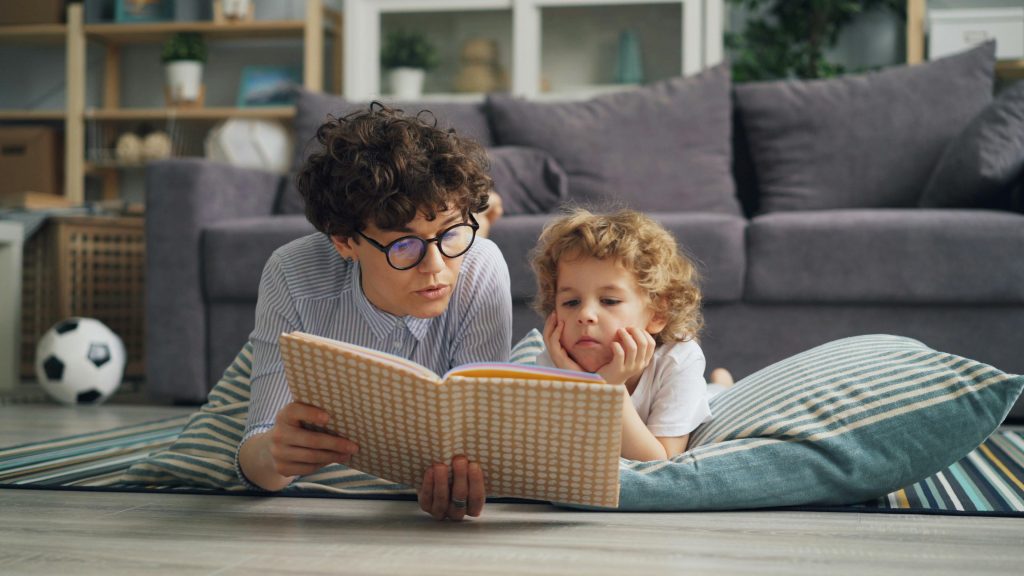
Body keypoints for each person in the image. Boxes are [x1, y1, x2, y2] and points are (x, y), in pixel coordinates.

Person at [236, 103, 512, 521]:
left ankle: (479, 215)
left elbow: (482, 439)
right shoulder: (291, 272)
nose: (435, 267)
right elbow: (259, 453)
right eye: (405, 245)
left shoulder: (479, 263)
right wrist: (276, 457)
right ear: (345, 242)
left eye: (452, 232)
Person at [531, 208, 719, 461]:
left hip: (700, 396)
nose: (585, 314)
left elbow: (658, 461)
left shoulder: (679, 360)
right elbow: (553, 452)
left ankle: (722, 382)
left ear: (657, 314)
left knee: (714, 393)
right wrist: (578, 384)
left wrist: (610, 389)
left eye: (609, 301)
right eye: (571, 302)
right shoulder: (553, 363)